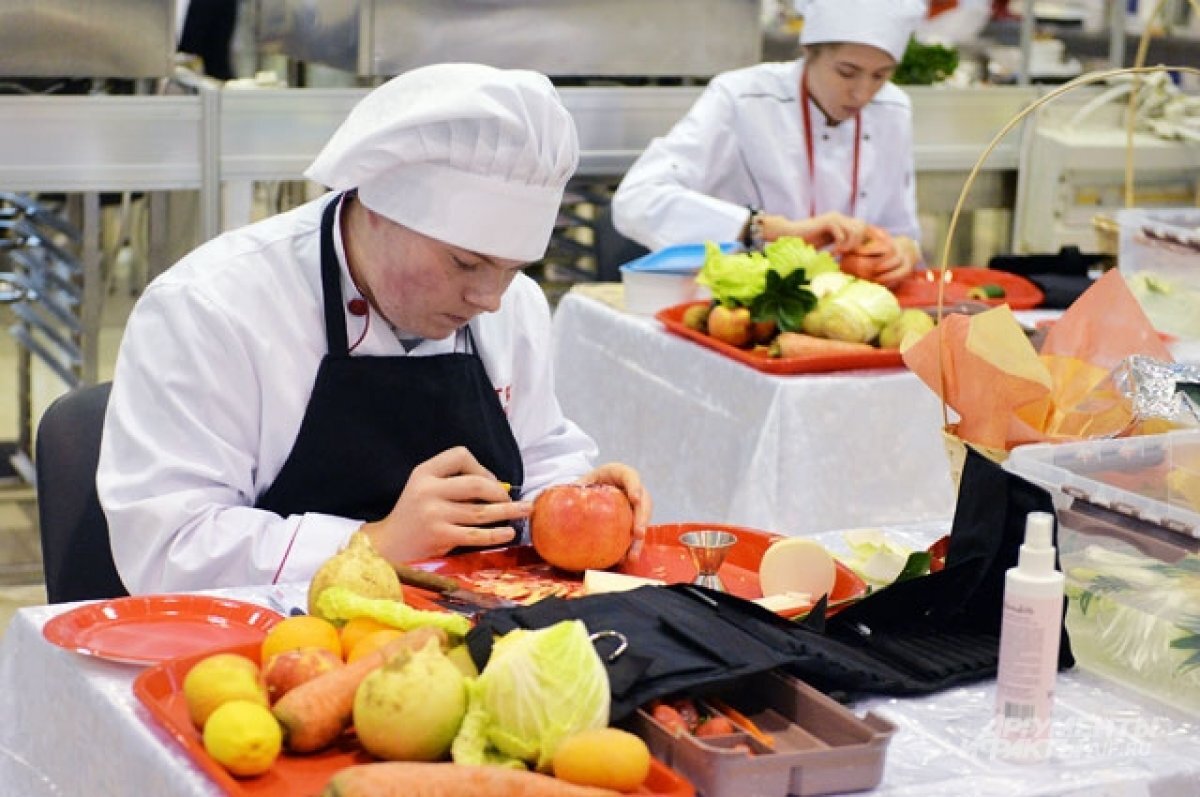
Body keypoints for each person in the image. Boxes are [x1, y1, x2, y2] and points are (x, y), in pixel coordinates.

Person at [96, 64, 652, 593]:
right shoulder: (211, 309)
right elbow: (169, 548)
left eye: (514, 269)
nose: (490, 299)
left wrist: (569, 497)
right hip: (282, 638)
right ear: (380, 207)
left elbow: (539, 447)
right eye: (464, 263)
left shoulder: (514, 303)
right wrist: (372, 543)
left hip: (472, 623)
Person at [612, 0, 928, 288]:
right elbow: (638, 199)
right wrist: (762, 229)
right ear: (809, 51)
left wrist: (903, 249)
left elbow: (900, 228)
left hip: (851, 306)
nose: (862, 93)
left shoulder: (894, 108)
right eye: (847, 73)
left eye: (880, 76)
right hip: (744, 301)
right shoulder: (741, 97)